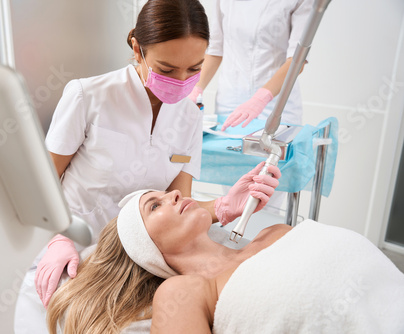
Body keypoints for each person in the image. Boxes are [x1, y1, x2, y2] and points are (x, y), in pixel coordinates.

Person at [34, 0, 281, 308]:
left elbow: (180, 209)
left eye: (194, 69)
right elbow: (40, 190)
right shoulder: (88, 96)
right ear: (138, 49)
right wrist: (58, 238)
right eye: (167, 69)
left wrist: (226, 206)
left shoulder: (190, 117)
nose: (180, 82)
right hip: (75, 252)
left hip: (141, 265)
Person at [47, 189, 404, 334]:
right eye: (154, 206)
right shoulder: (183, 293)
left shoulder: (276, 232)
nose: (173, 193)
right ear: (146, 248)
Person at [188, 0, 314, 130]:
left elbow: (297, 60)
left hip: (276, 104)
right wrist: (195, 87)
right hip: (229, 101)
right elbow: (215, 49)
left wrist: (260, 100)